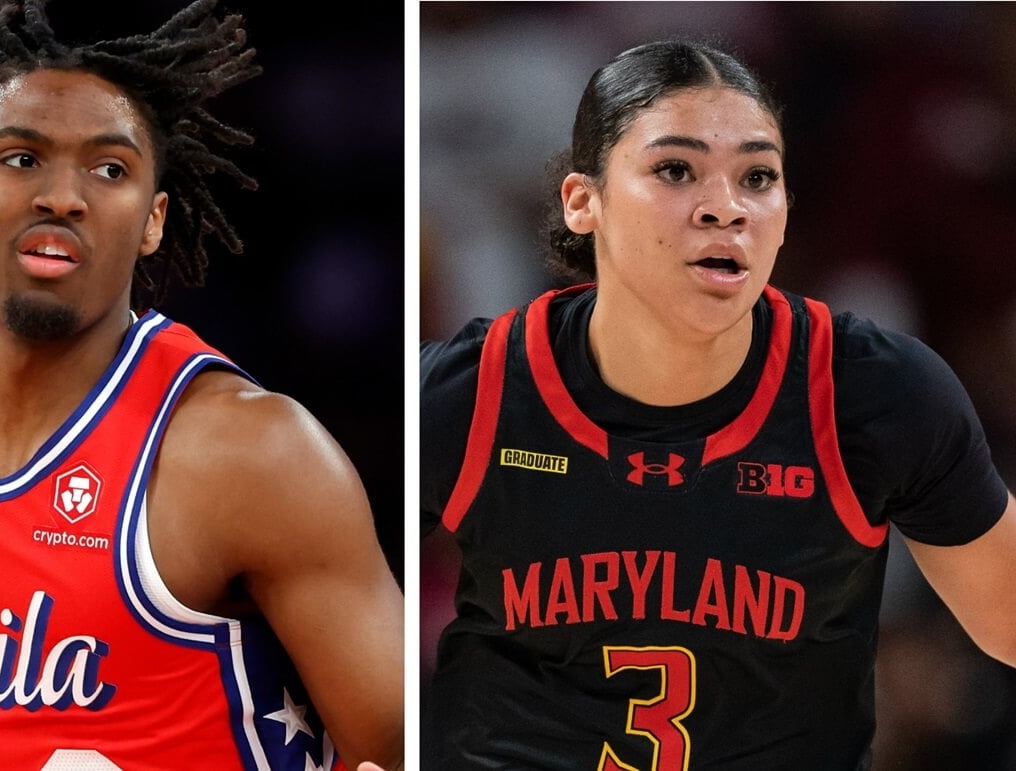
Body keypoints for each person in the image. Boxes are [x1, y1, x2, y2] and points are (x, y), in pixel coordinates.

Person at [0, 1, 403, 769]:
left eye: (109, 168)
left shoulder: (248, 452)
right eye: (22, 157)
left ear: (154, 220)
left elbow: (403, 745)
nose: (64, 195)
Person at [420, 40, 1016, 770]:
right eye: (676, 169)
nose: (725, 207)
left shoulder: (875, 390)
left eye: (758, 176)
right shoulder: (469, 394)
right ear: (584, 202)